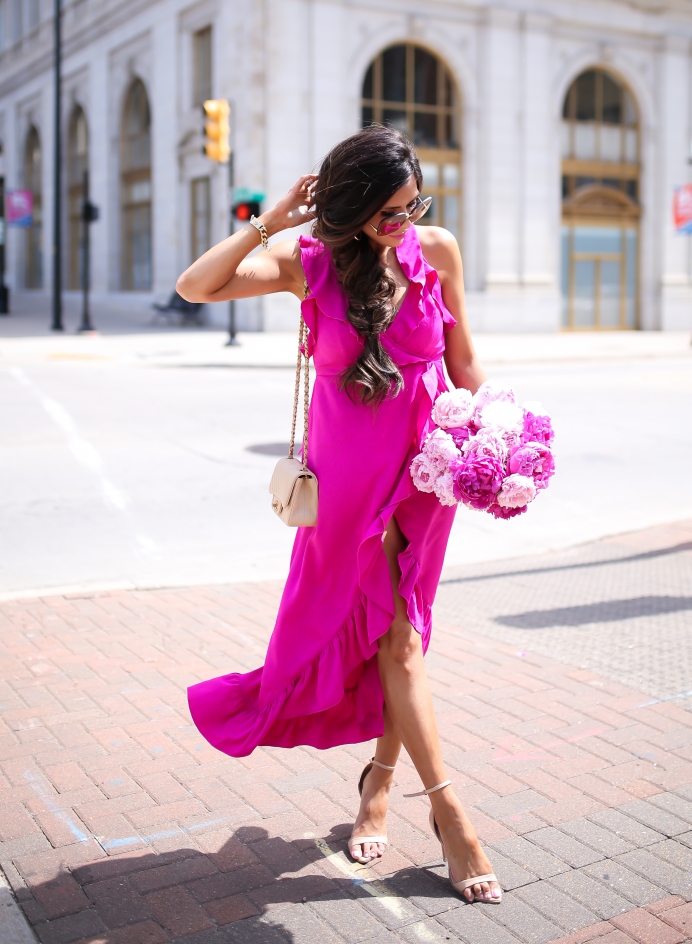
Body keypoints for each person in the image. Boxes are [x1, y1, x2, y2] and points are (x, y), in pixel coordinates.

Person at [176, 126, 501, 904]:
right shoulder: (308, 262)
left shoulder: (439, 250)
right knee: (386, 634)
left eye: (411, 203)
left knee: (403, 634)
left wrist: (495, 435)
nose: (404, 221)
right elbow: (197, 285)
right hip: (347, 487)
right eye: (387, 210)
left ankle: (403, 796)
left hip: (423, 476)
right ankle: (425, 803)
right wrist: (274, 218)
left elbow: (463, 362)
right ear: (350, 204)